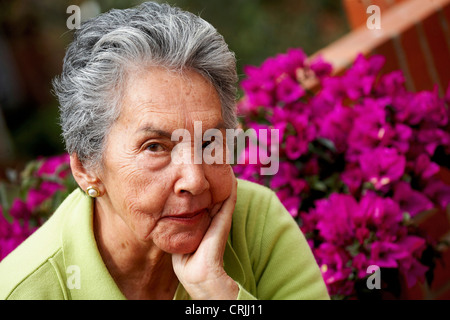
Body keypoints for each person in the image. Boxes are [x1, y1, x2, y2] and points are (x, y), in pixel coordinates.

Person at [0, 1, 329, 300]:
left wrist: (218, 293)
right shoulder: (25, 291)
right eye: (155, 147)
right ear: (86, 167)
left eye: (209, 143)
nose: (195, 180)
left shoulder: (256, 222)